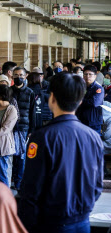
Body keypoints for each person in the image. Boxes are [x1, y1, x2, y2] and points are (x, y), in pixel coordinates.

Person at [19, 72, 103, 233]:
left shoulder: (42, 137)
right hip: (82, 221)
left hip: (49, 223)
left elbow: (31, 188)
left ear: (51, 98)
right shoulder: (93, 137)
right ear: (79, 101)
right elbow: (97, 184)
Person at [11, 67, 36, 190]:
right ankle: (11, 177)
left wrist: (31, 130)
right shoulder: (9, 91)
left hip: (23, 128)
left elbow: (33, 113)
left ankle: (19, 181)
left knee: (21, 156)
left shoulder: (30, 93)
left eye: (21, 75)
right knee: (11, 155)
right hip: (9, 128)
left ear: (26, 76)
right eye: (16, 75)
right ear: (12, 77)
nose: (18, 77)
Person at [0, 85, 18, 186]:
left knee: (2, 174)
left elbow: (6, 129)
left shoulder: (11, 110)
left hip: (3, 146)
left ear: (2, 95)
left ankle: (5, 199)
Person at [76, 65, 104, 134]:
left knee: (94, 142)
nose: (87, 76)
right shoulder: (81, 87)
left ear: (95, 76)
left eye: (90, 74)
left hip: (93, 122)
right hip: (81, 120)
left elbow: (94, 103)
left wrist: (81, 101)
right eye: (85, 74)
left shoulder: (98, 88)